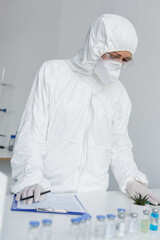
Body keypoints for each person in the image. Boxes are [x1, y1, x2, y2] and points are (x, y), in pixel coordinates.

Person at [10, 14, 160, 205]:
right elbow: (32, 132)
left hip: (94, 199)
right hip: (47, 194)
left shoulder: (118, 94)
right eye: (114, 56)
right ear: (96, 46)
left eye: (125, 59)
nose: (118, 64)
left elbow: (119, 145)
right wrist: (30, 178)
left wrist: (132, 179)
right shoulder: (54, 73)